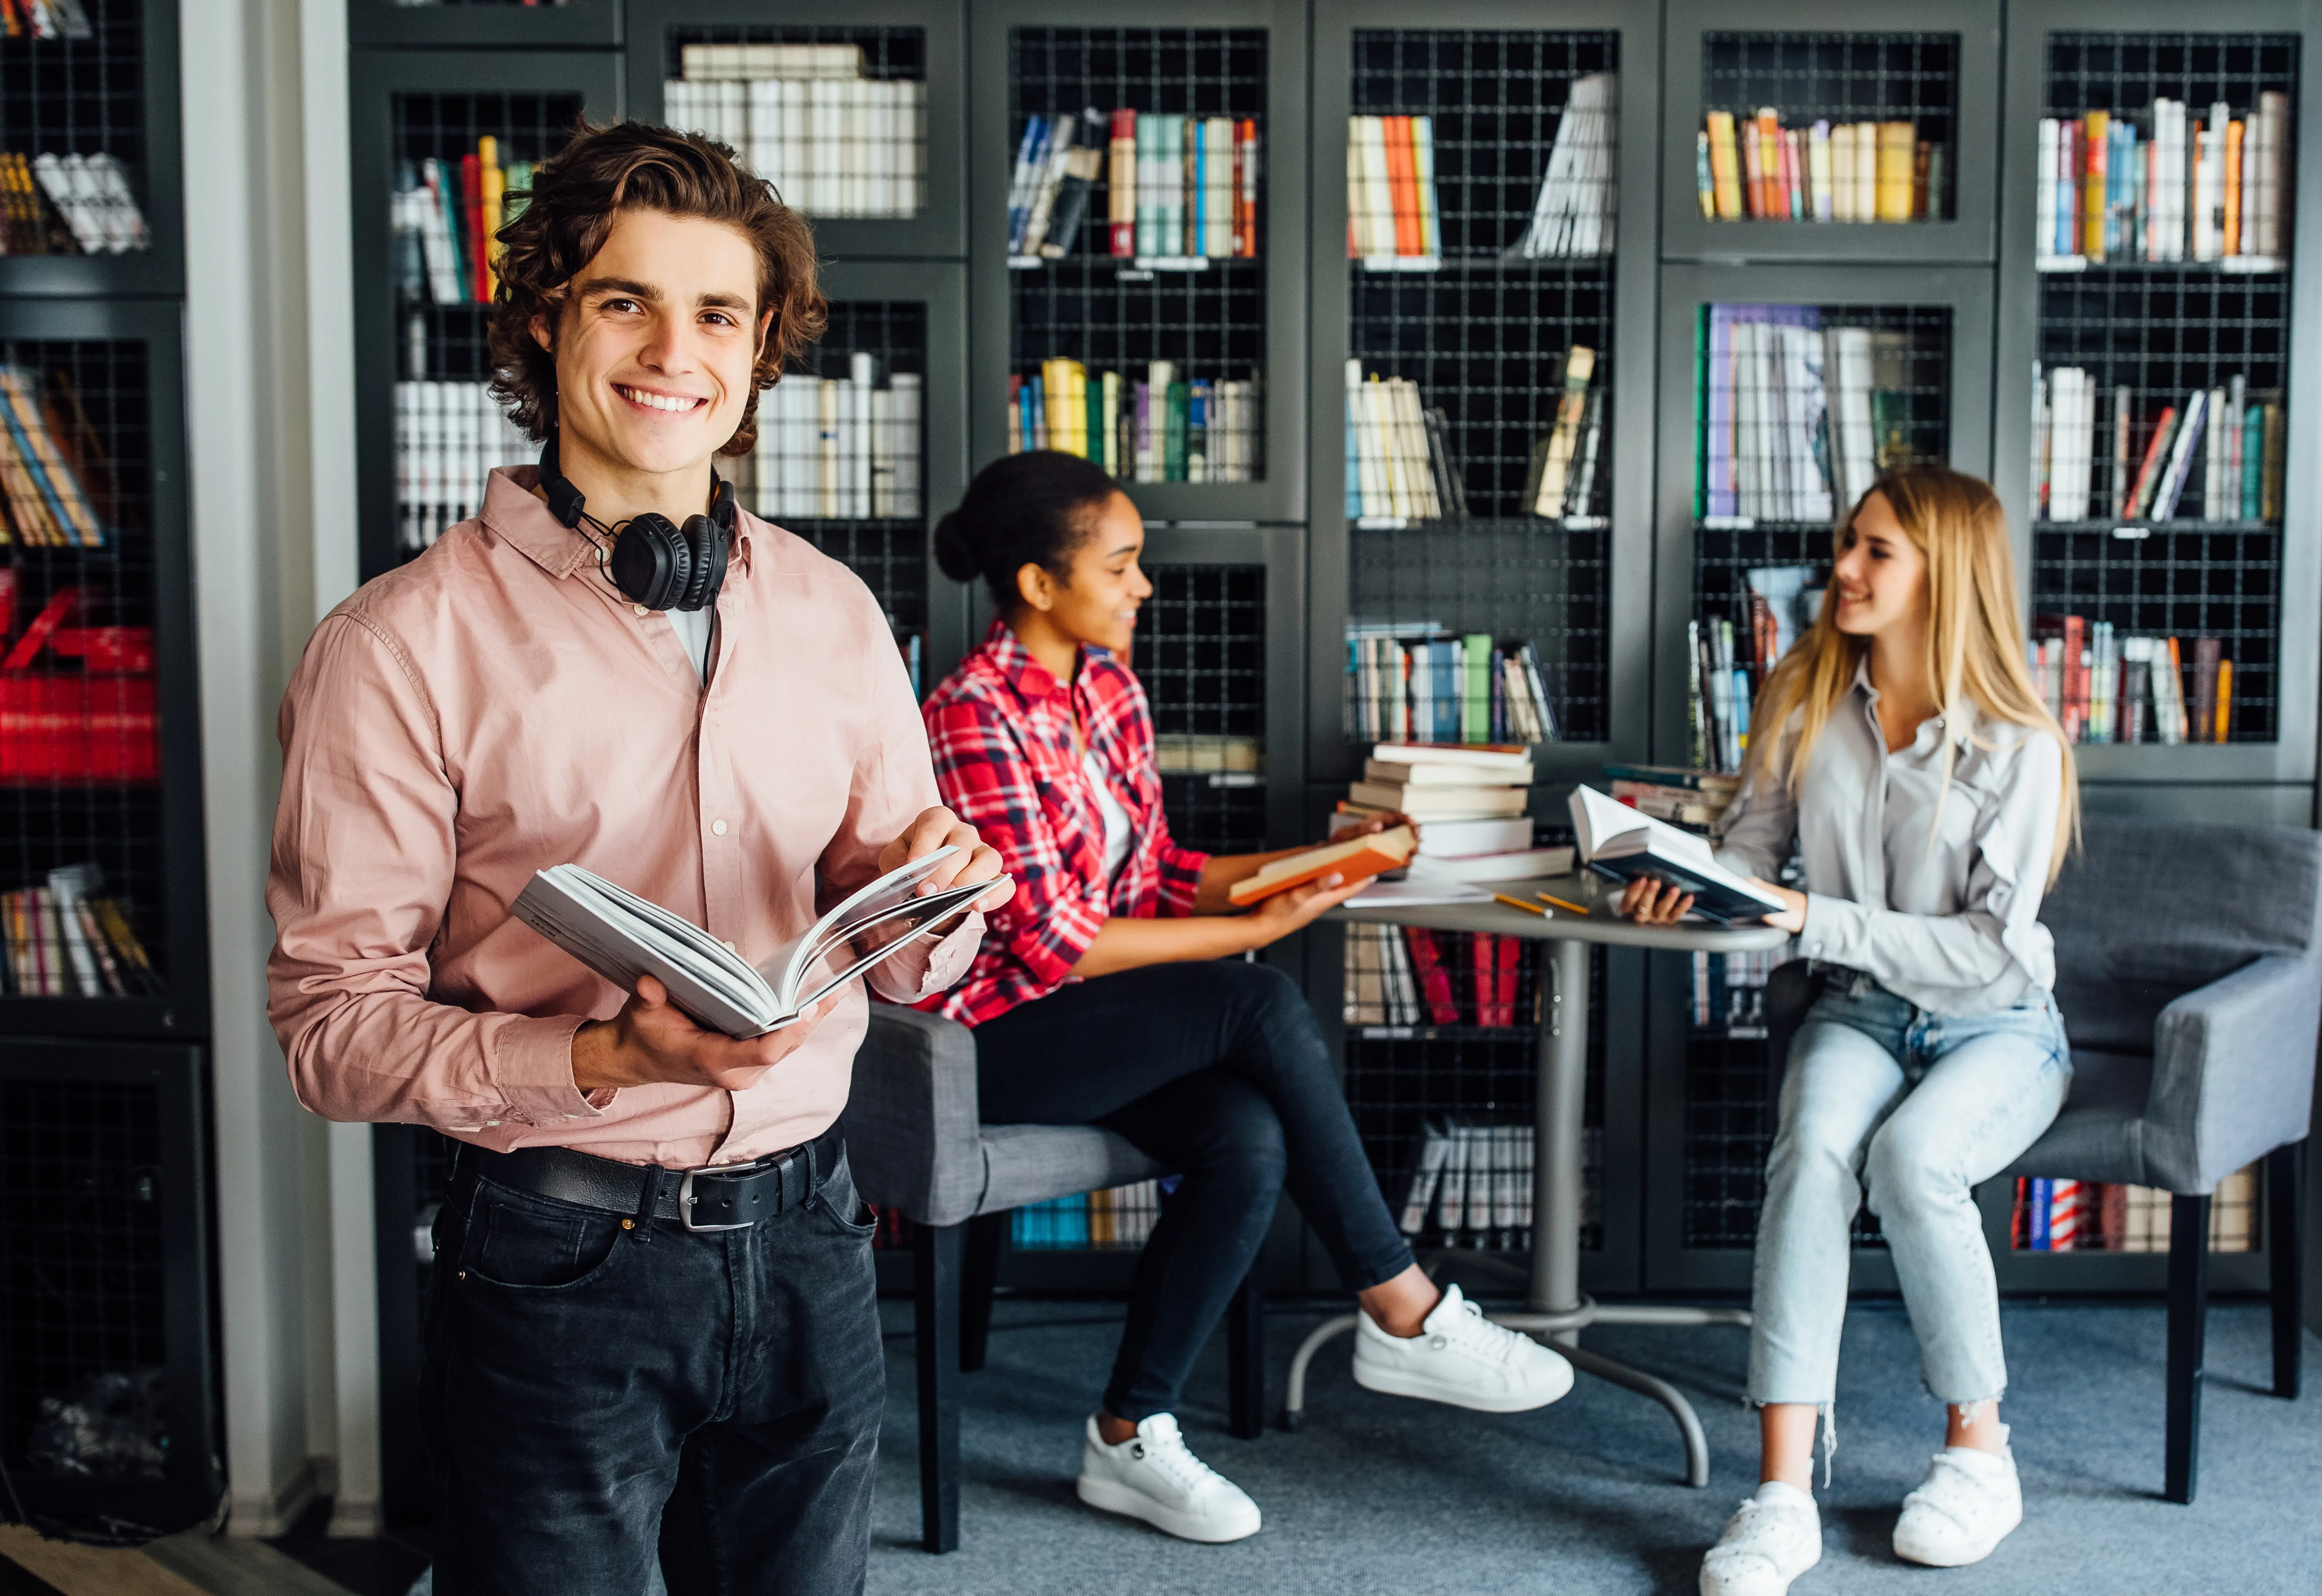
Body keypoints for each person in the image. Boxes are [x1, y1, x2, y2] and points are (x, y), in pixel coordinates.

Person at [264, 120, 1008, 1596]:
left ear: (761, 349)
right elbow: (329, 1037)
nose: (676, 352)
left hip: (817, 1232)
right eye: (626, 301)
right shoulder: (397, 643)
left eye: (718, 313)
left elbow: (913, 967)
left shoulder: (834, 611)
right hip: (557, 1255)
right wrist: (602, 1059)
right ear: (548, 321)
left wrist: (933, 894)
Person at [915, 450, 1576, 1545]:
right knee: (1255, 1001)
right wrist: (1255, 933)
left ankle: (1127, 1434)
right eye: (1120, 565)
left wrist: (1316, 868)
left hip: (1093, 1022)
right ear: (1037, 584)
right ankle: (1401, 1306)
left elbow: (1156, 874)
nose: (1143, 586)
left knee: (1247, 1136)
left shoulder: (1108, 691)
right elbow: (1053, 940)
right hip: (992, 1036)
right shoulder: (970, 717)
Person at [1619, 466, 2079, 1596]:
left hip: (1998, 1027)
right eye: (1849, 542)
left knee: (1913, 1159)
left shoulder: (2021, 745)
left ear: (1944, 574)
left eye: (1877, 551)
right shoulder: (1805, 691)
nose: (1844, 568)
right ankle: (1780, 1497)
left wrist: (1807, 916)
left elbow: (1987, 950)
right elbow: (1753, 852)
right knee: (1812, 1151)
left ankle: (1979, 1456)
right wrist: (1691, 882)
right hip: (1859, 1009)